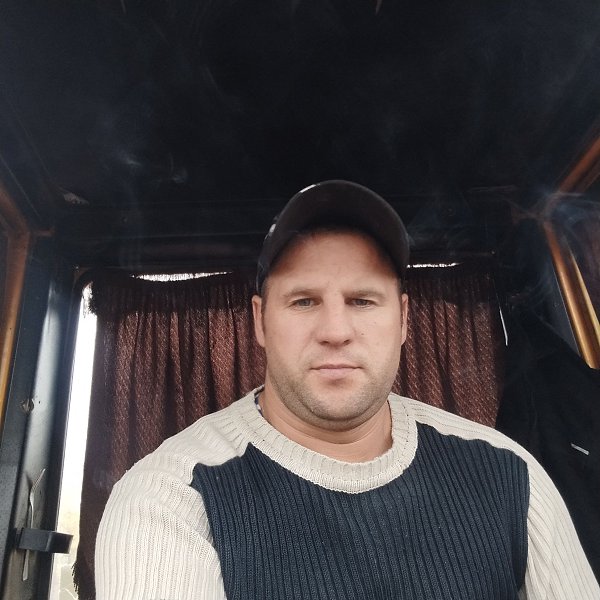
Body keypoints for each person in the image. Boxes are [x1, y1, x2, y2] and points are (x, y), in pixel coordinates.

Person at [95, 180, 599, 599]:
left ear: (404, 319)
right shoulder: (171, 498)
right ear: (260, 322)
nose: (335, 331)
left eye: (362, 301)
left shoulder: (509, 473)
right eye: (303, 302)